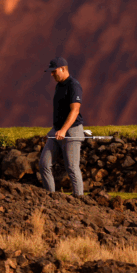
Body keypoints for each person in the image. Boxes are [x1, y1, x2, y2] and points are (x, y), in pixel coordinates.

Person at [39, 57, 85, 196]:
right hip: (57, 130)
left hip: (72, 131)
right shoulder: (59, 85)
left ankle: (79, 200)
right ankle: (51, 198)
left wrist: (64, 130)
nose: (52, 75)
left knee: (72, 167)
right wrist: (58, 129)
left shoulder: (74, 85)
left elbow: (75, 110)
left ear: (63, 69)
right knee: (44, 164)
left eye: (54, 71)